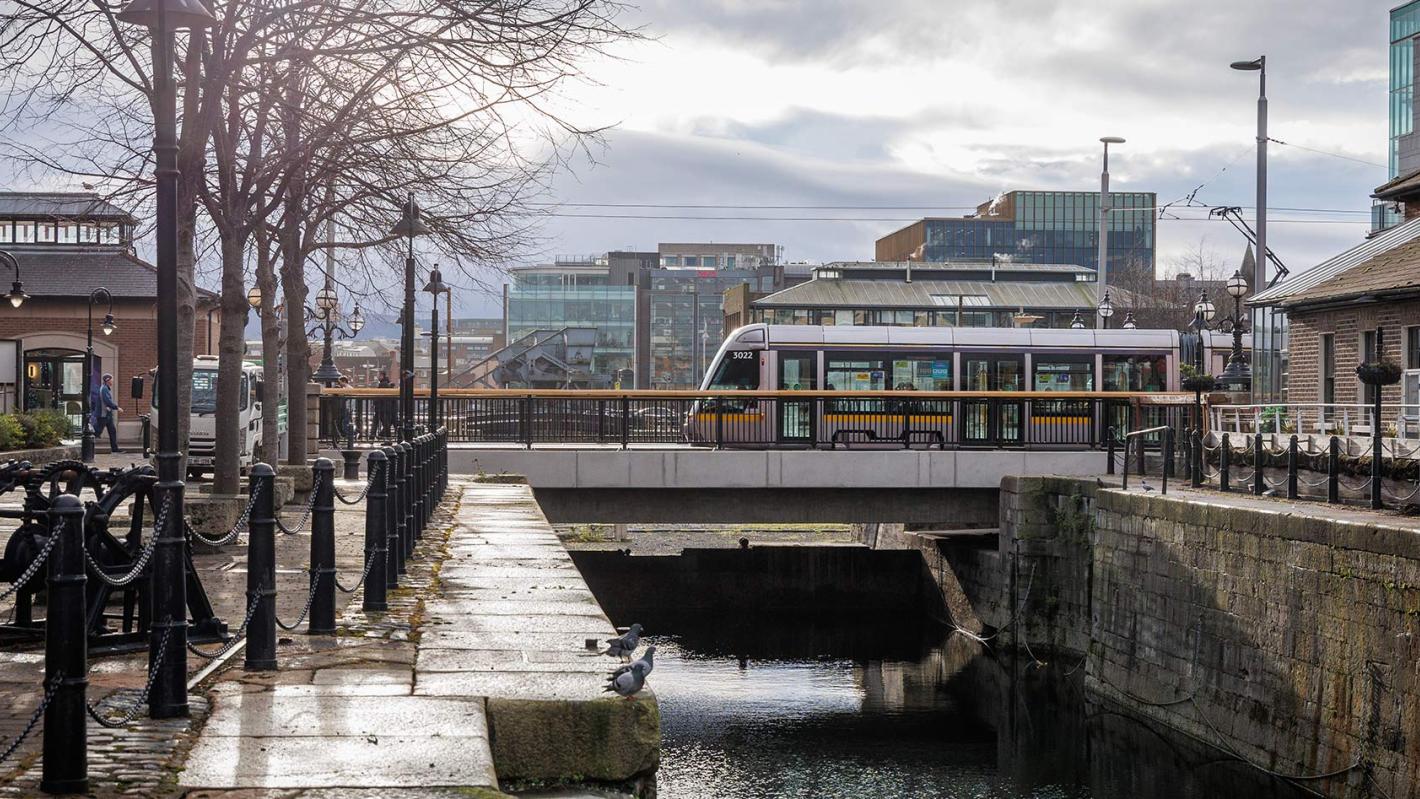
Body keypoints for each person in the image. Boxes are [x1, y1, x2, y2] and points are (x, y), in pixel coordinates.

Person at [96, 373, 122, 453]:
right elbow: (107, 401)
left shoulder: (106, 388)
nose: (112, 381)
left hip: (107, 414)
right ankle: (87, 447)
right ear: (107, 380)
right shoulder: (104, 389)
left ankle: (115, 449)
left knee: (112, 431)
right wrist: (116, 407)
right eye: (111, 379)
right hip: (103, 414)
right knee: (97, 431)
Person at [372, 371, 393, 439]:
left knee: (384, 423)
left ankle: (386, 438)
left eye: (378, 375)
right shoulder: (387, 383)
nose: (377, 377)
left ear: (382, 376)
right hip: (385, 407)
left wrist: (375, 402)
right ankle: (375, 436)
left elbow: (379, 396)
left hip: (381, 407)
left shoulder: (382, 384)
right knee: (384, 423)